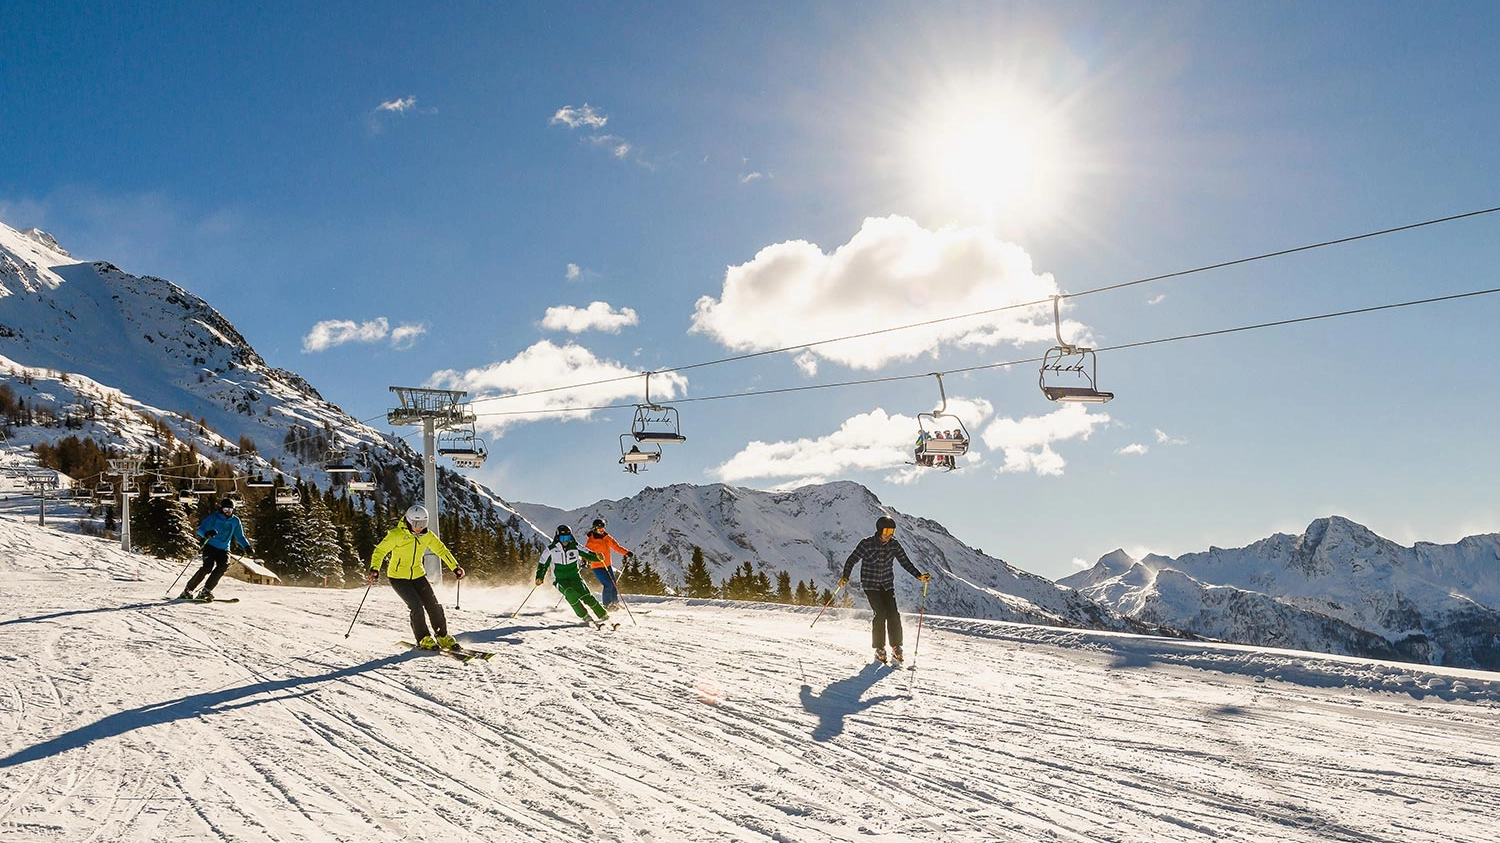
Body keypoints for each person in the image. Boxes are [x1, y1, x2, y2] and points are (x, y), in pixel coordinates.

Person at [368, 504, 466, 651]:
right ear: (408, 520)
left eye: (423, 524)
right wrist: (374, 569)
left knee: (433, 605)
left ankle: (442, 636)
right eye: (416, 524)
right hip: (398, 578)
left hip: (418, 575)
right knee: (416, 607)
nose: (419, 527)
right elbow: (379, 551)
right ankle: (423, 638)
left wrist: (455, 567)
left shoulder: (427, 536)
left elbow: (441, 550)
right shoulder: (396, 535)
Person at [838, 515, 930, 665]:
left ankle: (896, 646)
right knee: (880, 613)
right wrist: (845, 576)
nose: (888, 535)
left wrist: (919, 576)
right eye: (886, 531)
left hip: (887, 584)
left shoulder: (894, 545)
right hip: (870, 584)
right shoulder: (867, 544)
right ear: (879, 530)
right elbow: (852, 559)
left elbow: (905, 562)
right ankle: (880, 648)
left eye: (891, 532)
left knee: (893, 613)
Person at [536, 524, 610, 627]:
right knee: (570, 593)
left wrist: (597, 557)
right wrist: (539, 576)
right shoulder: (551, 550)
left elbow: (587, 553)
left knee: (586, 595)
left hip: (575, 577)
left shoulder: (575, 546)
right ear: (558, 537)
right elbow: (543, 564)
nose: (565, 540)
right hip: (559, 580)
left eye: (568, 537)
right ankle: (584, 615)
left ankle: (602, 614)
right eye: (563, 538)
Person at [182, 498, 253, 601]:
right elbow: (201, 530)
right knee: (207, 568)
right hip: (210, 546)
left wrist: (247, 547)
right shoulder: (214, 517)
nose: (228, 511)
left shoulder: (235, 521)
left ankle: (206, 590)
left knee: (223, 566)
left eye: (230, 509)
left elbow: (239, 536)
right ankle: (188, 590)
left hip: (224, 549)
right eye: (225, 509)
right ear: (221, 509)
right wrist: (207, 534)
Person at [583, 517, 633, 609]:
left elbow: (616, 547)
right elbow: (586, 553)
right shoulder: (591, 542)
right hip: (597, 567)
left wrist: (626, 552)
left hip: (607, 565)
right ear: (595, 529)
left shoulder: (607, 537)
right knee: (608, 584)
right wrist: (584, 561)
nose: (602, 531)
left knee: (613, 584)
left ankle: (615, 602)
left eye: (603, 528)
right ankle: (607, 605)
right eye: (600, 529)